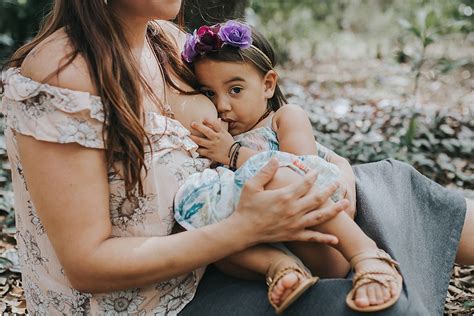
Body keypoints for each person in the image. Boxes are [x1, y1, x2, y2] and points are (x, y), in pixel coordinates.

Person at [0, 1, 472, 315]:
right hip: (161, 294)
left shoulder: (163, 40)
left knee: (390, 183)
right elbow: (86, 264)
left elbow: (246, 126)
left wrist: (328, 166)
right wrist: (244, 231)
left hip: (232, 212)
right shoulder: (63, 74)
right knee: (376, 307)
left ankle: (365, 248)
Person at [173, 20, 402, 313]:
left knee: (281, 177)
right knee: (194, 218)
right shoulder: (222, 136)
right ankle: (279, 267)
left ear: (268, 84)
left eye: (235, 89)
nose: (222, 105)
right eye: (209, 94)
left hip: (322, 244)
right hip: (270, 245)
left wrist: (231, 153)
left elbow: (301, 171)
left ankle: (366, 253)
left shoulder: (285, 118)